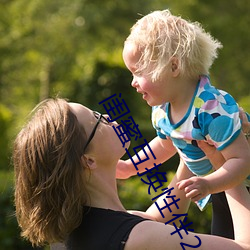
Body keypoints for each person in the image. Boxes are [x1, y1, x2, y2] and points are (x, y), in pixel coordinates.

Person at [13, 98, 250, 250]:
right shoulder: (137, 238)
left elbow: (158, 218)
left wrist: (190, 136)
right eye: (98, 120)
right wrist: (226, 165)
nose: (108, 118)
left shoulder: (80, 232)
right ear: (88, 160)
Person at [119, 9, 250, 239]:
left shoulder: (211, 109)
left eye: (138, 72)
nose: (133, 82)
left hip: (239, 186)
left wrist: (209, 184)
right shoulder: (162, 110)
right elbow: (165, 144)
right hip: (219, 189)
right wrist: (130, 167)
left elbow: (242, 160)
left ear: (173, 67)